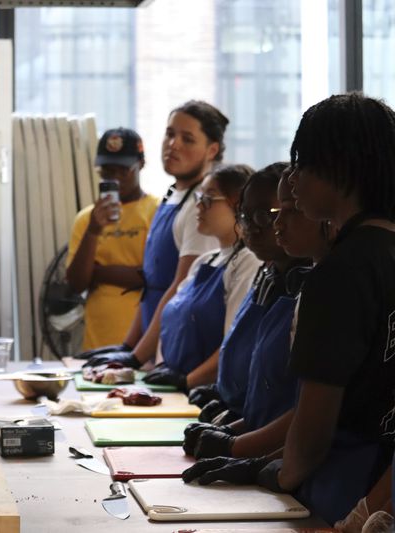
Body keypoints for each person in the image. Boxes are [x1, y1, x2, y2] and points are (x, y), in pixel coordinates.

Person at [182, 93, 395, 526]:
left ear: (341, 166)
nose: (293, 179)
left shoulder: (339, 273)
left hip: (341, 483)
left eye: (303, 163)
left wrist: (275, 472)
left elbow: (314, 427)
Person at [184, 164, 331, 460]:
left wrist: (238, 446)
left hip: (284, 452)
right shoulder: (267, 275)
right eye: (245, 216)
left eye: (265, 215)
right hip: (254, 428)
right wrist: (233, 420)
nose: (253, 226)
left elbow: (309, 412)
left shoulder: (317, 288)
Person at [81, 101, 226, 367]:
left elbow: (179, 288)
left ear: (212, 150)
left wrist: (136, 356)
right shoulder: (171, 196)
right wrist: (128, 345)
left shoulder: (201, 207)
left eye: (187, 139)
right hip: (153, 347)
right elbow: (152, 286)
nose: (174, 144)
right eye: (170, 134)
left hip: (179, 351)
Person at [140, 164, 261, 391]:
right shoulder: (203, 262)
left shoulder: (247, 263)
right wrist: (162, 366)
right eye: (198, 197)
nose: (198, 205)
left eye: (209, 198)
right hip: (179, 389)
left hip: (204, 390)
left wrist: (187, 381)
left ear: (238, 205)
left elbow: (232, 343)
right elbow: (171, 322)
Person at [66, 128, 158, 350]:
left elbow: (152, 279)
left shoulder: (158, 212)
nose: (114, 178)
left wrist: (97, 273)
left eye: (123, 170)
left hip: (142, 345)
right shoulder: (86, 219)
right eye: (107, 171)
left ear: (141, 164)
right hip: (97, 341)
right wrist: (93, 230)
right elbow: (77, 283)